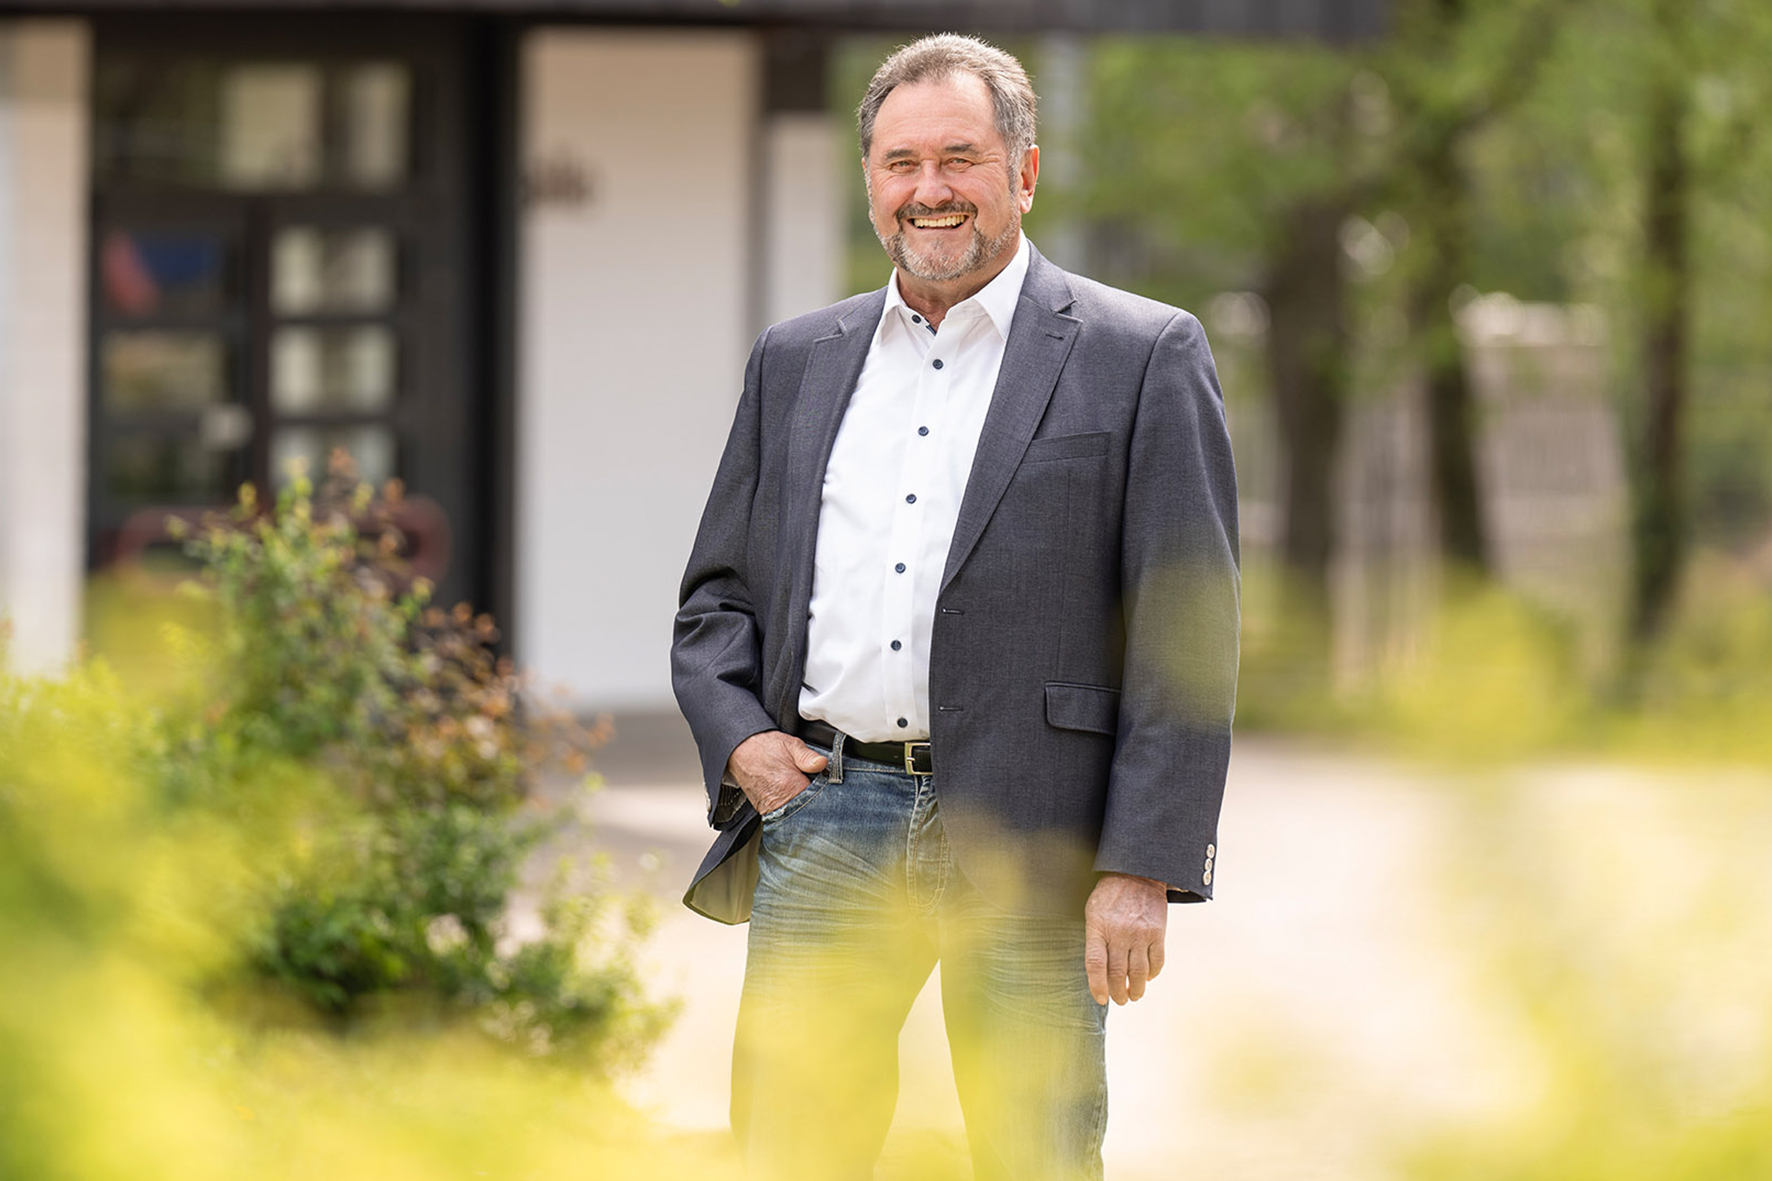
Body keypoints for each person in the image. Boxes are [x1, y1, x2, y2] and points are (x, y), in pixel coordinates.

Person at [671, 33, 1240, 1181]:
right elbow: (715, 597)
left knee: (1031, 1151)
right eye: (898, 162)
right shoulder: (797, 359)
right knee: (791, 1147)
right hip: (824, 819)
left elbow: (1189, 634)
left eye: (959, 158)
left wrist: (1141, 862)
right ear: (869, 180)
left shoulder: (1139, 354)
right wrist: (744, 745)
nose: (927, 189)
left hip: (1035, 836)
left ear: (1021, 174)